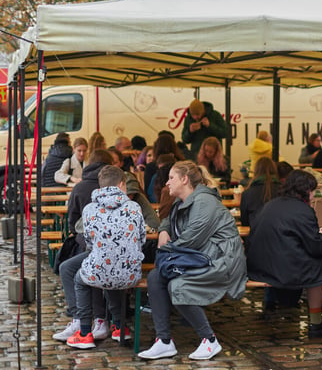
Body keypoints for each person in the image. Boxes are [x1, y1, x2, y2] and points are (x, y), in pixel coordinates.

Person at [138, 161, 247, 360]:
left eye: (171, 178)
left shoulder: (204, 202)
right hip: (201, 258)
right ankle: (163, 341)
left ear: (184, 179)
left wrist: (164, 250)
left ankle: (210, 341)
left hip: (222, 261)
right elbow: (169, 220)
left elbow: (190, 239)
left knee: (178, 286)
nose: (167, 183)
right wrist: (163, 230)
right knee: (155, 276)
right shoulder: (183, 201)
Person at [247, 170, 322, 338]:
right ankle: (316, 323)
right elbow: (315, 247)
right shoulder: (303, 210)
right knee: (321, 269)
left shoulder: (270, 204)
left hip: (257, 266)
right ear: (305, 190)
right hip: (281, 269)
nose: (313, 195)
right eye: (312, 190)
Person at [64, 165, 145, 349]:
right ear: (122, 183)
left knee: (81, 278)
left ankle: (84, 332)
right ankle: (119, 326)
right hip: (131, 273)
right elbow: (141, 238)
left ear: (100, 186)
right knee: (113, 270)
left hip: (102, 269)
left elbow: (89, 242)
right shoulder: (134, 207)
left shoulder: (89, 210)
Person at [53, 150, 115, 343]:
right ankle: (94, 319)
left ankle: (83, 318)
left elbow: (72, 223)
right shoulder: (119, 188)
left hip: (93, 248)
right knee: (84, 267)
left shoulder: (80, 189)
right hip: (116, 250)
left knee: (74, 268)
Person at [240, 157, 281, 228]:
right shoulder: (283, 190)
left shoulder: (247, 193)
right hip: (280, 235)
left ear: (256, 171)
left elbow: (245, 223)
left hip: (255, 235)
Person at [144, 131, 184, 197]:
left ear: (156, 147)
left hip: (156, 201)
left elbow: (147, 190)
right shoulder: (182, 164)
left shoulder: (151, 166)